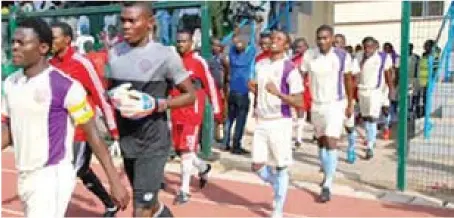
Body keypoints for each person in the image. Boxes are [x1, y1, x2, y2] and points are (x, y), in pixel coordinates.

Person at [1, 17, 129, 218]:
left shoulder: (64, 86)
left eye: (21, 43)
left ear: (43, 47)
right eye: (14, 42)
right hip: (24, 173)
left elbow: (93, 135)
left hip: (51, 175)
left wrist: (114, 180)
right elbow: (9, 128)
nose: (14, 47)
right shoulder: (11, 83)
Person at [106, 2, 196, 217]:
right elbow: (108, 92)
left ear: (150, 23)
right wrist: (114, 98)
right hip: (128, 140)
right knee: (151, 204)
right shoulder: (114, 53)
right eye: (123, 21)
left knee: (141, 209)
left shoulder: (166, 55)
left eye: (132, 21)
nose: (126, 26)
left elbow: (190, 95)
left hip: (153, 141)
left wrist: (157, 104)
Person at [48, 22, 121, 217]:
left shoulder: (82, 63)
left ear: (67, 40)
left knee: (70, 173)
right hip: (59, 131)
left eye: (54, 37)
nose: (50, 41)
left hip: (82, 129)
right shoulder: (50, 65)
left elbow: (100, 94)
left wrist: (113, 128)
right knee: (79, 171)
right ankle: (110, 204)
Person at [250, 30, 303, 218]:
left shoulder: (289, 68)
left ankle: (278, 208)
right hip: (262, 120)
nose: (273, 42)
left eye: (279, 39)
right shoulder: (261, 64)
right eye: (272, 38)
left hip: (280, 121)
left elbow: (299, 101)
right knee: (256, 164)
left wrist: (278, 93)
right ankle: (278, 185)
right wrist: (255, 93)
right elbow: (259, 91)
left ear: (286, 45)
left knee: (281, 165)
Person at [301, 25, 354, 202]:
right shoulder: (309, 55)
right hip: (317, 104)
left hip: (335, 104)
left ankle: (327, 184)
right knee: (322, 141)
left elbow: (348, 80)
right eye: (319, 38)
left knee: (331, 141)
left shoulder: (342, 56)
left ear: (332, 39)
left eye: (325, 38)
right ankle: (326, 170)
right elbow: (302, 77)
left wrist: (350, 103)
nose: (322, 41)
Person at [172, 29, 223, 204]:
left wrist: (217, 111)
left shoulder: (198, 62)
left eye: (184, 41)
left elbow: (210, 84)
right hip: (175, 110)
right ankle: (203, 167)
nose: (181, 44)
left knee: (186, 150)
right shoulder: (173, 61)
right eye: (178, 41)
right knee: (181, 150)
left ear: (191, 43)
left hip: (192, 111)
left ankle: (184, 190)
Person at [356, 37, 393, 159]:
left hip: (375, 91)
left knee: (372, 118)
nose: (367, 49)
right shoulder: (359, 56)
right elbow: (356, 73)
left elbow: (388, 73)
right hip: (362, 90)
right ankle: (369, 138)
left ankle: (370, 147)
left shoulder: (383, 57)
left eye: (370, 47)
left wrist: (391, 89)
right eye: (365, 47)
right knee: (366, 118)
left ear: (375, 47)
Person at [223, 23, 258, 154]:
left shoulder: (233, 54)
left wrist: (235, 34)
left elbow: (233, 44)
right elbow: (252, 44)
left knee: (230, 119)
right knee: (240, 120)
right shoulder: (248, 56)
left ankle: (225, 143)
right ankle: (236, 145)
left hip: (232, 91)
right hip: (243, 92)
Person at [333, 33, 360, 164]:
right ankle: (329, 160)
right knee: (331, 132)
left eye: (338, 42)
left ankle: (351, 148)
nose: (336, 45)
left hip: (345, 97)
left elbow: (354, 77)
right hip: (331, 100)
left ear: (343, 44)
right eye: (334, 42)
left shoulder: (349, 58)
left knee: (349, 126)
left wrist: (351, 99)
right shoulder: (326, 58)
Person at [208, 37, 230, 141]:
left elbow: (227, 73)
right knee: (212, 112)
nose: (215, 47)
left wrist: (225, 88)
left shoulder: (223, 58)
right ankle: (211, 136)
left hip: (221, 88)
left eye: (218, 46)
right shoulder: (209, 58)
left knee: (222, 112)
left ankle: (221, 136)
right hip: (211, 89)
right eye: (214, 45)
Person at [291, 37, 309, 149]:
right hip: (298, 89)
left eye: (300, 46)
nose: (298, 49)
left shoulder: (312, 58)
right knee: (299, 113)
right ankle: (298, 138)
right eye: (297, 47)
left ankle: (317, 134)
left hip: (309, 88)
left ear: (306, 47)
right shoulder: (294, 59)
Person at [382, 42, 399, 139]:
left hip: (391, 83)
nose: (386, 50)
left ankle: (387, 125)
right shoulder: (380, 57)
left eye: (388, 48)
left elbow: (397, 71)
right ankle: (385, 123)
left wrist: (393, 85)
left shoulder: (396, 57)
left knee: (388, 105)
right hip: (381, 85)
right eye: (385, 48)